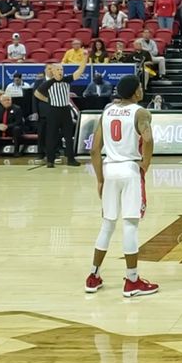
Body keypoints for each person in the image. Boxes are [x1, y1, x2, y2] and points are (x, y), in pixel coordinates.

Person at [86, 75, 159, 298]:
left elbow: (93, 150)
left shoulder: (106, 111)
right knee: (130, 225)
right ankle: (132, 280)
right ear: (135, 91)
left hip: (109, 169)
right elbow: (147, 139)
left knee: (107, 224)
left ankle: (93, 276)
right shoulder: (140, 112)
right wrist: (145, 164)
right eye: (139, 87)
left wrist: (99, 179)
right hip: (129, 169)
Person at [34, 57, 89, 168]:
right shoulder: (48, 83)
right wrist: (48, 100)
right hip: (53, 111)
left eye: (62, 70)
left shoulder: (67, 79)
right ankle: (50, 160)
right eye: (58, 70)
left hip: (65, 111)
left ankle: (71, 159)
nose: (60, 72)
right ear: (53, 71)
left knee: (68, 136)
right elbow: (36, 93)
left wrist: (85, 59)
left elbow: (79, 71)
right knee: (51, 136)